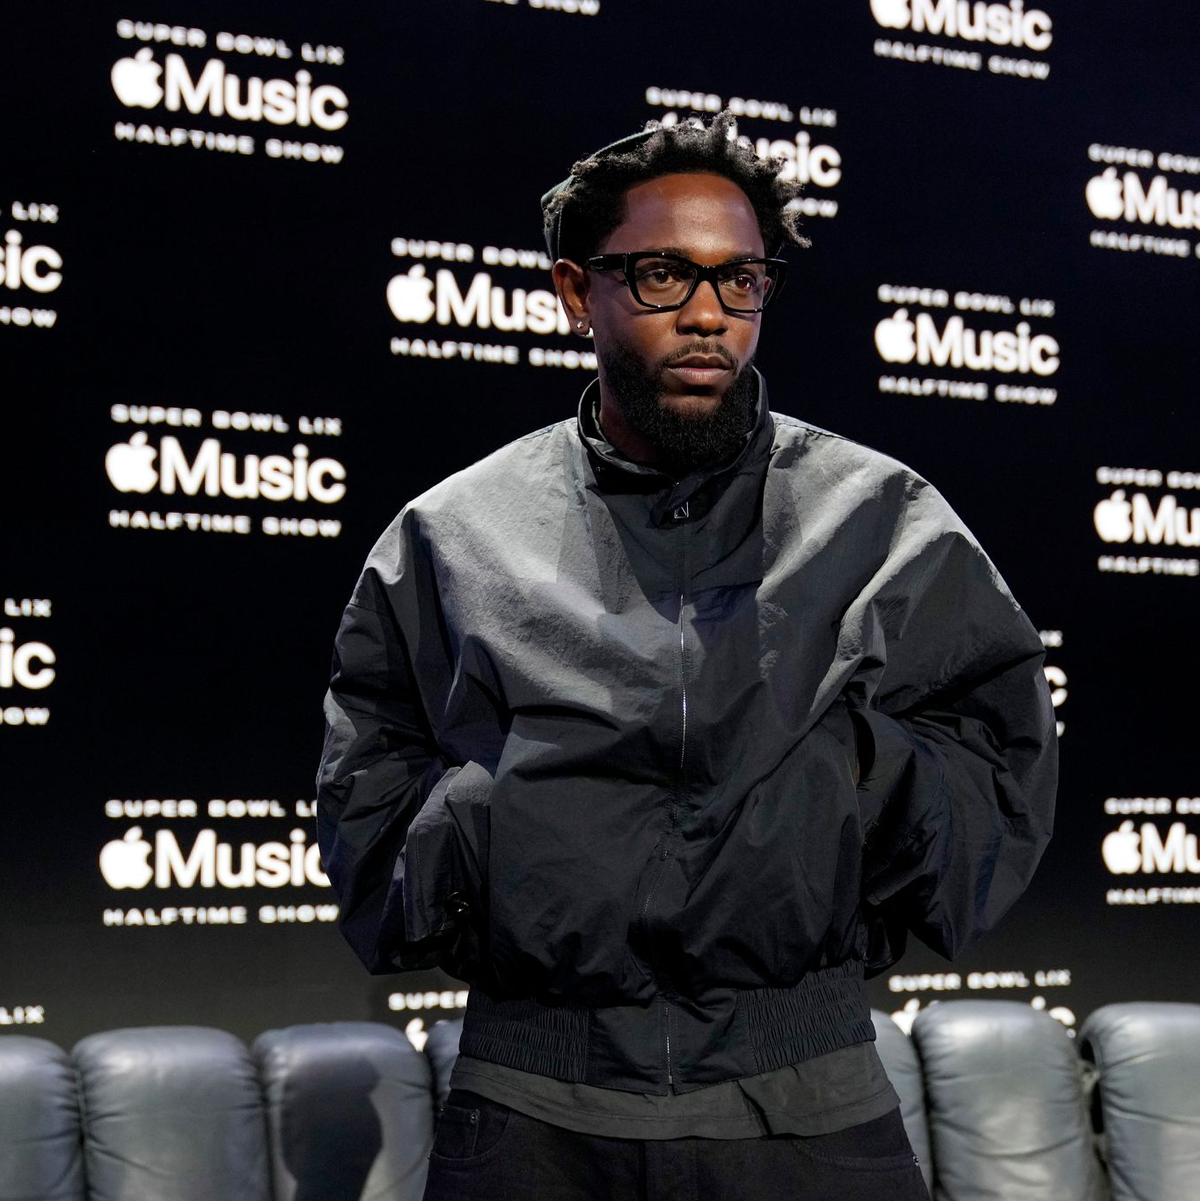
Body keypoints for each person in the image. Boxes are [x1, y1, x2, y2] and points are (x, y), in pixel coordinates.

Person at [316, 109, 1058, 1200]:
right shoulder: (452, 535)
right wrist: (494, 818)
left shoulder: (885, 521)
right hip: (534, 1109)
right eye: (663, 276)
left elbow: (1000, 772)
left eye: (739, 279)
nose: (708, 314)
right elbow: (367, 801)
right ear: (579, 292)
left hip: (812, 1102)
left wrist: (846, 778)